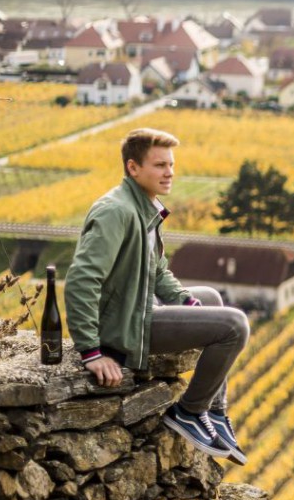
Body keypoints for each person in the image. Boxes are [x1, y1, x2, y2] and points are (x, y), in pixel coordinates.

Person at [65, 128, 250, 464]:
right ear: (133, 168)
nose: (170, 173)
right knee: (235, 325)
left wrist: (186, 303)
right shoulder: (115, 212)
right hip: (122, 326)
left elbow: (158, 271)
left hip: (137, 307)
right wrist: (91, 351)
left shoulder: (143, 207)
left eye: (171, 165)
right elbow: (81, 278)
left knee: (208, 297)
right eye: (160, 165)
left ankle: (215, 412)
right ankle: (189, 411)